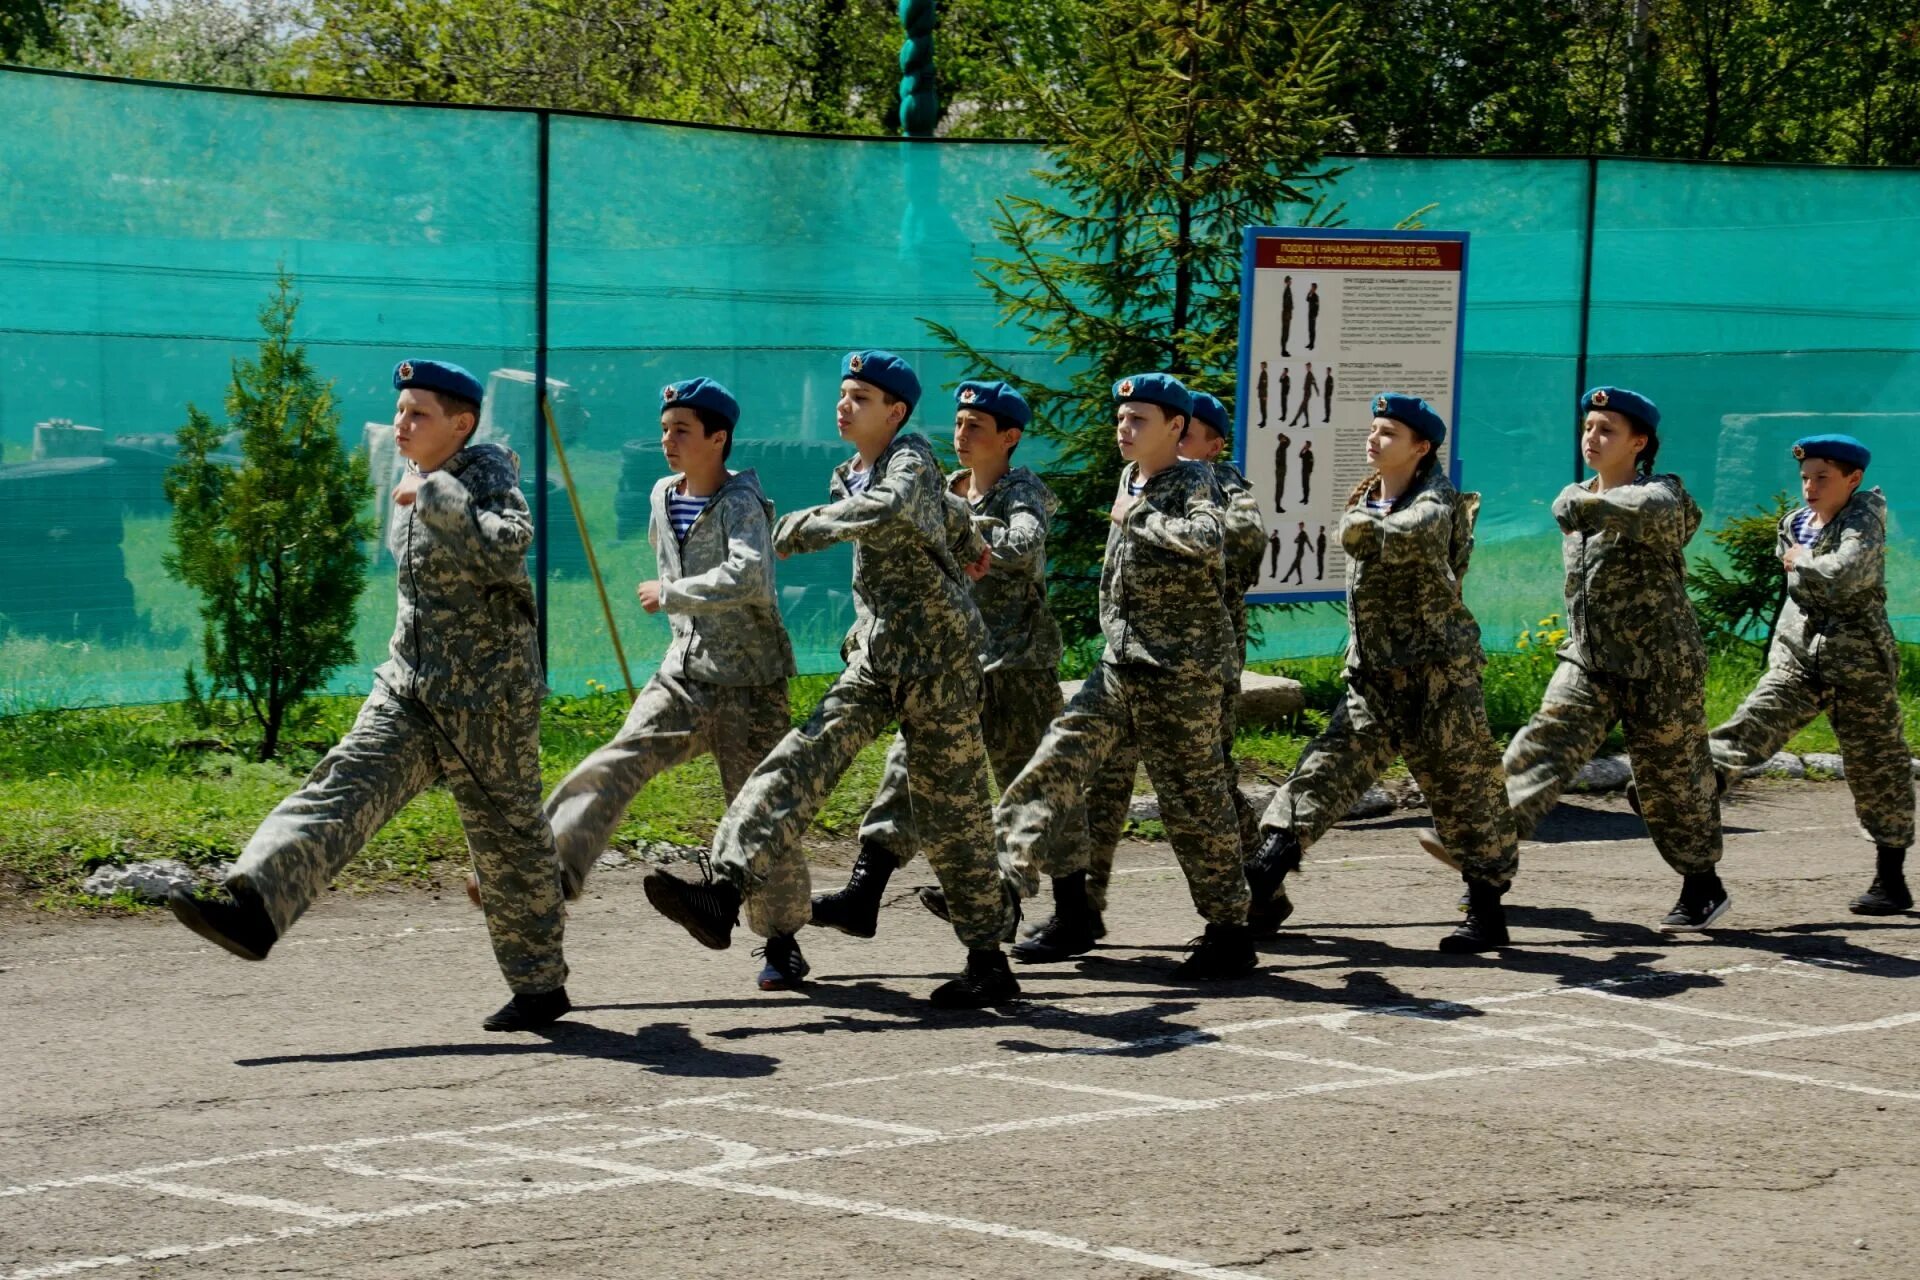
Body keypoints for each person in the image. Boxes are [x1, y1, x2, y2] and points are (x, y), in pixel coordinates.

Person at [168, 359, 571, 1032]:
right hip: (411, 689)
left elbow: (511, 543)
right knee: (342, 783)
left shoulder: (486, 473)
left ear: (461, 424)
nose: (402, 423)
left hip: (487, 706)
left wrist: (441, 498)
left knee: (510, 844)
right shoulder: (407, 470)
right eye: (401, 410)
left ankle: (540, 988)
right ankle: (254, 907)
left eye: (419, 413)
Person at [640, 351, 1018, 1008]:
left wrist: (800, 529)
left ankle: (987, 959)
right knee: (799, 758)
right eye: (843, 394)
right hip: (876, 657)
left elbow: (898, 505)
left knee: (952, 813)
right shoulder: (851, 472)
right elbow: (945, 517)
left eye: (862, 397)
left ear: (895, 413)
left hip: (941, 663)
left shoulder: (910, 459)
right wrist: (972, 544)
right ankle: (722, 893)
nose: (845, 405)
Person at [532, 379, 797, 984]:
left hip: (751, 685)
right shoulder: (660, 495)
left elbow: (751, 577)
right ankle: (553, 865)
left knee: (757, 812)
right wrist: (679, 615)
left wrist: (673, 593)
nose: (667, 440)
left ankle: (782, 940)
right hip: (685, 672)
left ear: (718, 437)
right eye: (663, 428)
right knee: (623, 753)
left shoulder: (741, 503)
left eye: (681, 429)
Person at [991, 373, 1254, 976]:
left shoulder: (1196, 480)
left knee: (1194, 802)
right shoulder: (1130, 477)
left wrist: (1139, 519)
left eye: (1139, 419)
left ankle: (1230, 928)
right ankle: (1001, 886)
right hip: (1119, 665)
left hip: (1179, 674)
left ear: (1177, 428)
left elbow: (1210, 539)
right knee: (1055, 764)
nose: (1124, 428)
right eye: (1121, 418)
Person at [1245, 393, 1515, 952]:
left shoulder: (1435, 502)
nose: (1374, 439)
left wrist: (1363, 530)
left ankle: (1486, 911)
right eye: (1373, 429)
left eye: (1388, 433)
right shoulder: (1366, 495)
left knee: (1467, 795)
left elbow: (1405, 533)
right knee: (1317, 778)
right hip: (1373, 682)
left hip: (1438, 681)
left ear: (1420, 448)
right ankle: (1261, 889)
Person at [1462, 386, 1728, 931]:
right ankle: (1482, 878)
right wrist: (1586, 501)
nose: (1592, 437)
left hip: (1661, 669)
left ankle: (1702, 882)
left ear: (1639, 443)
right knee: (1538, 748)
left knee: (1672, 787)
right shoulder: (1578, 494)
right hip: (1590, 663)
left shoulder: (1664, 495)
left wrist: (1594, 505)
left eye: (1607, 430)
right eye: (1588, 427)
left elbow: (1659, 513)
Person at [823, 379, 1074, 943]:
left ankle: (1072, 905)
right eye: (958, 424)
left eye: (976, 427)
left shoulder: (1021, 490)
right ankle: (865, 892)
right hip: (953, 661)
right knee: (905, 771)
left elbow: (1022, 543)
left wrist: (965, 534)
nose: (961, 434)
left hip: (1017, 665)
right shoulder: (949, 485)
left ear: (1009, 437)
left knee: (1031, 783)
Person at [1706, 434, 1911, 915]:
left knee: (1877, 766)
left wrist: (1804, 560)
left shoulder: (1864, 520)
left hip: (1858, 665)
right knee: (1748, 724)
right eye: (1805, 478)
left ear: (1852, 479)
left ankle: (1890, 880)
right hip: (1799, 660)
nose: (1810, 488)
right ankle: (1681, 788)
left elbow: (1843, 573)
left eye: (1822, 478)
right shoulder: (1793, 524)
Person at [1290, 363, 1317, 428]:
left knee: (1301, 408)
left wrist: (1317, 390)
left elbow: (1314, 383)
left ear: (1310, 367)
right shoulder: (1308, 374)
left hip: (1308, 394)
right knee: (1305, 409)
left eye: (1308, 367)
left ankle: (1294, 421)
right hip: (1305, 393)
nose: (1306, 368)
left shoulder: (1310, 374)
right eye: (1306, 367)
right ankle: (1307, 423)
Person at [1280, 276, 1295, 357]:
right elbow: (1286, 304)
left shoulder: (1288, 289)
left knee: (1286, 332)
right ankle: (1283, 351)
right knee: (1285, 332)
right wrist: (1290, 308)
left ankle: (1284, 349)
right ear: (1287, 281)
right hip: (1286, 314)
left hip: (1287, 314)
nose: (1291, 281)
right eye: (1290, 280)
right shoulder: (1287, 290)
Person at [1299, 439, 1316, 505]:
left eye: (1306, 444)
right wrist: (1303, 449)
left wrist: (1310, 472)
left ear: (1309, 446)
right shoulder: (1304, 452)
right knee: (1303, 485)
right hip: (1303, 471)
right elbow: (1300, 455)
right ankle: (1304, 498)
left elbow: (1312, 463)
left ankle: (1306, 499)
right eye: (1305, 444)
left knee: (1306, 486)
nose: (1305, 445)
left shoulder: (1310, 453)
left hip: (1307, 471)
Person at [1305, 282, 1321, 350]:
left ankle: (1312, 345)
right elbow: (1307, 299)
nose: (1311, 288)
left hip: (1313, 316)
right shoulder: (1311, 295)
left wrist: (1315, 316)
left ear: (1315, 288)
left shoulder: (1316, 296)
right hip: (1309, 315)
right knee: (1309, 330)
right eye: (1311, 287)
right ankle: (1310, 343)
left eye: (1312, 287)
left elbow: (1317, 307)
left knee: (1312, 330)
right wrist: (1309, 292)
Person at [1256, 361, 1270, 429]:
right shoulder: (1262, 373)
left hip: (1263, 393)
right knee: (1262, 408)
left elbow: (1265, 385)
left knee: (1263, 408)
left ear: (1264, 366)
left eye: (1262, 365)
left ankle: (1264, 422)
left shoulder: (1264, 373)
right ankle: (1262, 421)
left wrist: (1265, 395)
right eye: (1261, 365)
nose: (1261, 366)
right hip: (1261, 393)